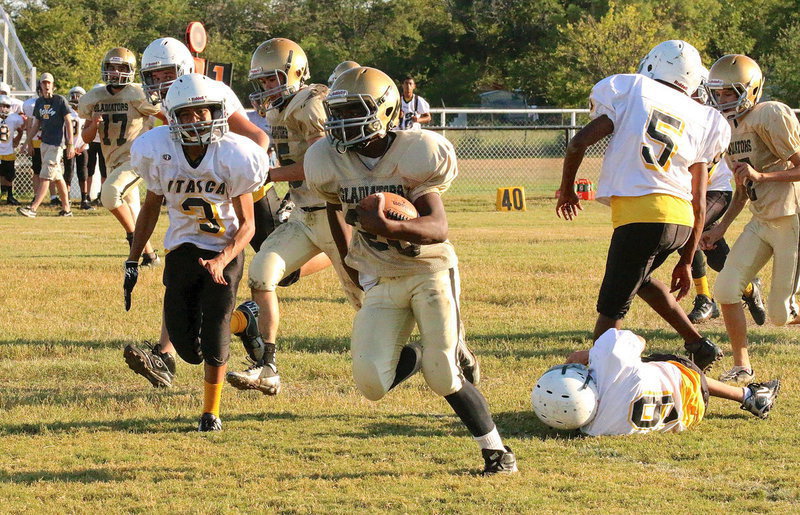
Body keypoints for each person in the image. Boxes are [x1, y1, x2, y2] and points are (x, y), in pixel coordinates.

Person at [305, 66, 515, 475]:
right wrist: (348, 265)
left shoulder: (417, 150)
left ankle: (497, 452)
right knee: (372, 384)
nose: (341, 121)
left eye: (353, 110)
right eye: (338, 111)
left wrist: (392, 227)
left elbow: (437, 228)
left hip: (429, 272)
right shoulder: (326, 159)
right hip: (381, 276)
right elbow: (337, 215)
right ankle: (418, 354)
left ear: (384, 111)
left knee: (444, 374)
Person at [556, 40, 730, 372]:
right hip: (680, 221)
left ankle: (600, 376)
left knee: (611, 310)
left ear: (652, 65)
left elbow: (579, 142)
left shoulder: (632, 89)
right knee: (642, 280)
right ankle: (697, 343)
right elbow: (698, 199)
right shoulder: (703, 117)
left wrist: (567, 190)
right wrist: (687, 258)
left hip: (643, 217)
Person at [122, 36, 274, 389]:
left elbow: (255, 136)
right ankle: (166, 351)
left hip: (239, 186)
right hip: (195, 208)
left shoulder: (212, 93)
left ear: (186, 70)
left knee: (277, 272)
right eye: (153, 75)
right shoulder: (165, 112)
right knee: (183, 274)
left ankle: (241, 322)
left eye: (167, 73)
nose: (160, 83)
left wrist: (256, 177)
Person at [226, 37, 359, 395]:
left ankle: (432, 350)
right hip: (303, 215)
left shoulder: (311, 104)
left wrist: (267, 175)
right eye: (263, 82)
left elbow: (320, 163)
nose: (267, 88)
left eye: (272, 79)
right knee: (261, 275)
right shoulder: (278, 110)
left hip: (335, 215)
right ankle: (267, 366)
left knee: (365, 300)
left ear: (295, 72)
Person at [701, 54, 800, 384]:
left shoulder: (769, 114)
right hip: (761, 221)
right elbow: (744, 188)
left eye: (731, 92)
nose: (723, 99)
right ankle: (742, 365)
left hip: (791, 219)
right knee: (726, 289)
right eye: (719, 92)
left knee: (779, 314)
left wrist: (764, 176)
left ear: (751, 89)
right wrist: (720, 227)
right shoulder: (730, 126)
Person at [531, 329, 780, 435]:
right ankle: (748, 396)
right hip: (686, 380)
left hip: (686, 415)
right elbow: (638, 340)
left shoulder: (593, 429)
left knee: (647, 373)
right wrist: (588, 355)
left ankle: (749, 396)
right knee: (654, 363)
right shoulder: (611, 362)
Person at [685, 72, 766, 324]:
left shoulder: (718, 118)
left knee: (690, 230)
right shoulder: (680, 115)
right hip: (689, 190)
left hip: (715, 189)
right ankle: (749, 288)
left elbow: (705, 167)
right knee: (714, 253)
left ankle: (705, 299)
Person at [77, 48, 160, 262]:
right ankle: (150, 256)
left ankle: (133, 238)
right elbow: (86, 138)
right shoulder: (94, 96)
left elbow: (167, 118)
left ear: (130, 70)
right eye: (111, 67)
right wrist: (94, 123)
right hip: (112, 160)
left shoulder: (139, 94)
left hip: (136, 159)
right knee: (132, 210)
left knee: (110, 193)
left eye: (121, 67)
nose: (115, 72)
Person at [17, 72, 74, 217]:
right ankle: (67, 209)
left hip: (56, 144)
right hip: (44, 143)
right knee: (57, 176)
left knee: (45, 176)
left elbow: (68, 121)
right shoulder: (40, 103)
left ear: (53, 85)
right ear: (40, 85)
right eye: (44, 83)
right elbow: (36, 124)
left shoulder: (60, 100)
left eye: (49, 83)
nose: (47, 85)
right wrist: (27, 141)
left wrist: (70, 144)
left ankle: (33, 208)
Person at [64, 86, 92, 210]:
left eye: (78, 95)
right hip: (69, 147)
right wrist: (68, 146)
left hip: (83, 147)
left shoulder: (86, 113)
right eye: (73, 95)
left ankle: (84, 199)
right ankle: (67, 199)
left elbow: (89, 131)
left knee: (83, 173)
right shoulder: (67, 112)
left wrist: (83, 145)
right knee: (68, 174)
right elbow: (63, 131)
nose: (75, 98)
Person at [0, 95, 25, 205]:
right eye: (1, 106)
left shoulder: (14, 118)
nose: (3, 109)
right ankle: (3, 194)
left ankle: (9, 196)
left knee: (9, 175)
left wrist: (17, 139)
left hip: (8, 151)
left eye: (6, 106)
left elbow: (21, 129)